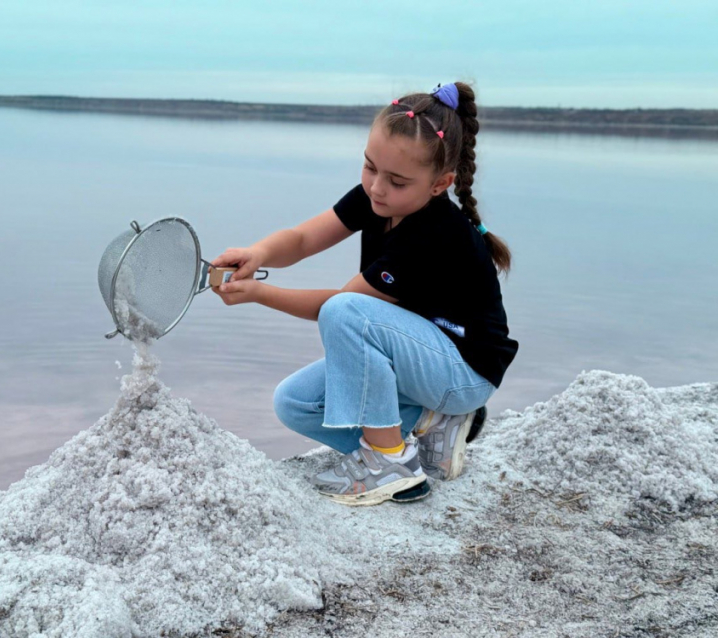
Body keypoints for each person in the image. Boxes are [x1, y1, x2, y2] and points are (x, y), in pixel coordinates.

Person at [210, 82, 518, 506]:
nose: (376, 187)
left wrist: (261, 293)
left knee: (346, 312)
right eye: (370, 167)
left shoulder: (432, 233)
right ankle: (432, 424)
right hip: (421, 363)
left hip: (464, 370)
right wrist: (256, 252)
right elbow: (302, 239)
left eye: (396, 181)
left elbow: (340, 309)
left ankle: (389, 461)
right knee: (295, 402)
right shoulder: (380, 201)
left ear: (439, 184)